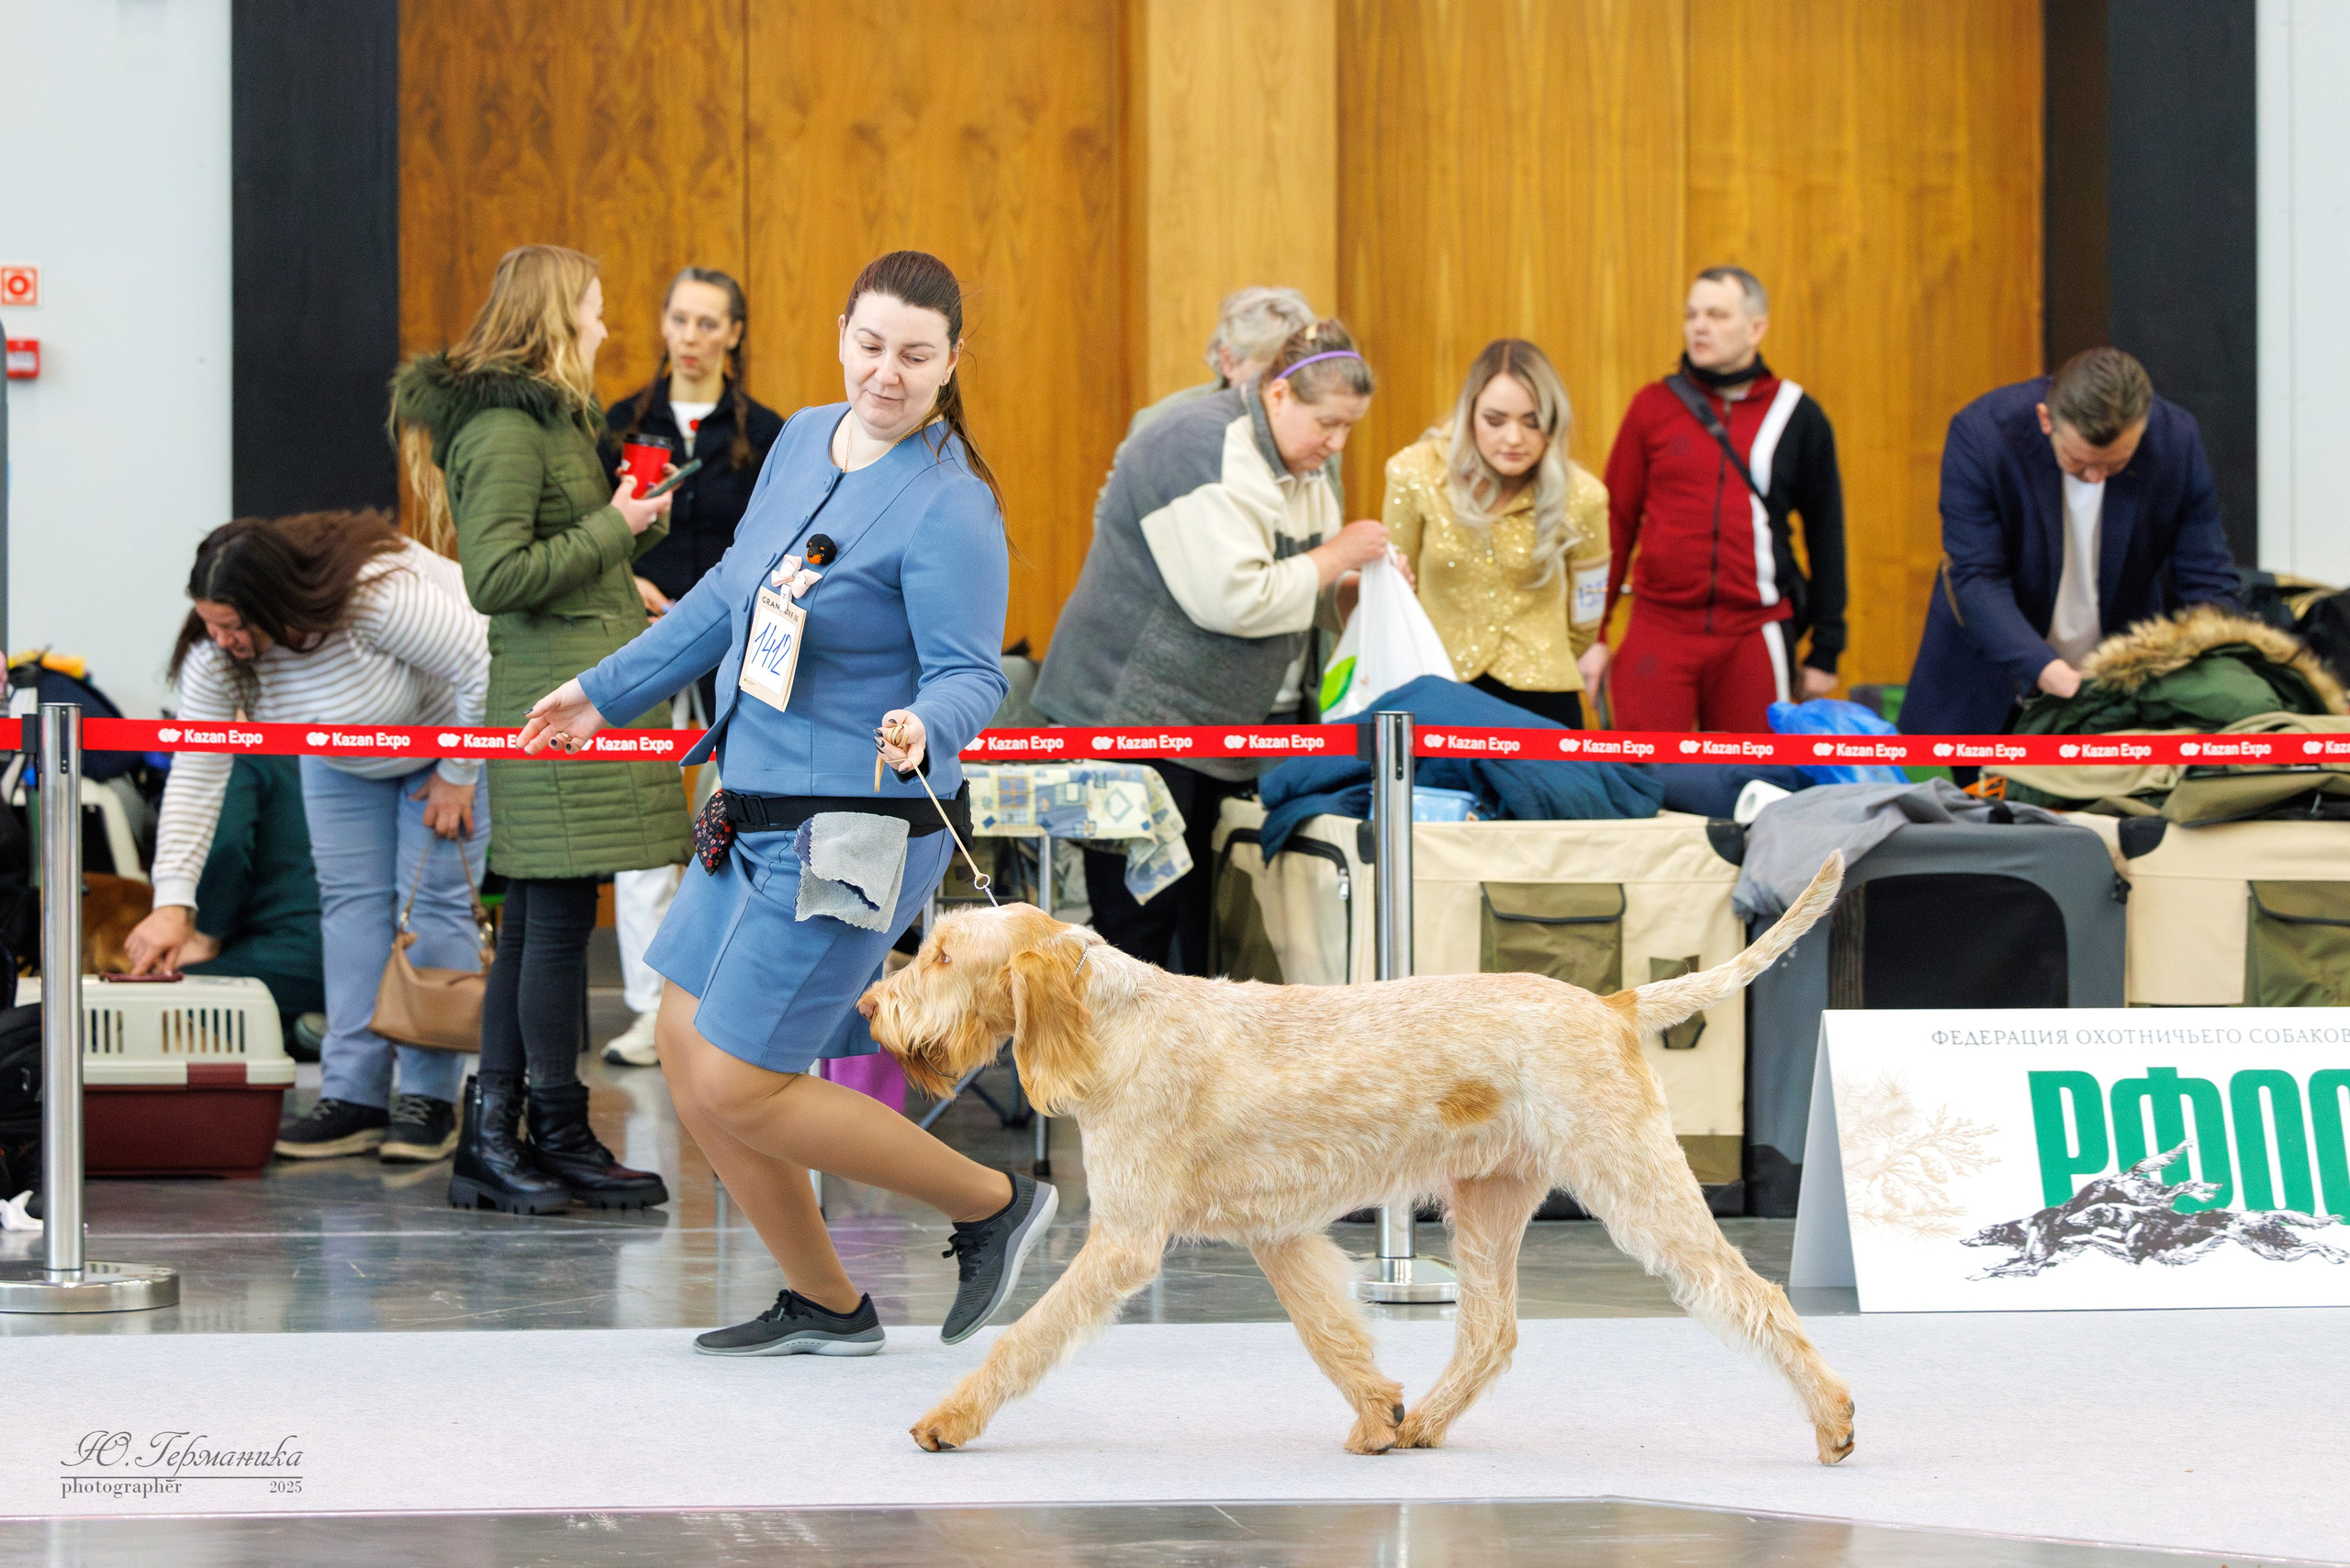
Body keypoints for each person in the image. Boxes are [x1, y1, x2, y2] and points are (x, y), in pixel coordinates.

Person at [518, 251, 1051, 1356]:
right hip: (744, 801)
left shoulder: (952, 505)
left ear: (952, 361)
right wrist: (602, 693)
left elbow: (970, 673)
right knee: (681, 1042)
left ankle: (991, 1205)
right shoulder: (805, 435)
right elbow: (728, 595)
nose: (886, 373)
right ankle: (826, 1300)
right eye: (870, 345)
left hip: (851, 829)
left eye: (915, 355)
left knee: (743, 1081)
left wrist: (929, 725)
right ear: (840, 334)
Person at [390, 243, 690, 1215]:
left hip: (576, 684)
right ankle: (538, 1130)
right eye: (597, 310)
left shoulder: (551, 419)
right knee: (554, 922)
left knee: (541, 919)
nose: (609, 327)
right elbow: (498, 580)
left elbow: (554, 557)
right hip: (549, 693)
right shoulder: (507, 428)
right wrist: (612, 523)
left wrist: (628, 529)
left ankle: (518, 1131)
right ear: (557, 317)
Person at [124, 511, 490, 1165]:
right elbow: (197, 774)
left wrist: (459, 772)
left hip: (444, 741)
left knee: (433, 909)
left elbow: (480, 659)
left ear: (278, 605)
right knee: (348, 910)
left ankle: (429, 1102)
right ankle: (353, 1098)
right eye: (209, 622)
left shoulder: (377, 597)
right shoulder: (215, 658)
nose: (221, 639)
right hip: (338, 756)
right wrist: (172, 900)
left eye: (235, 626)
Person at [1033, 319, 1392, 974]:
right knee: (1134, 934)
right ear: (1278, 395)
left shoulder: (1299, 459)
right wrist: (1338, 555)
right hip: (1128, 724)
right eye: (1328, 424)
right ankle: (1103, 1079)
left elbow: (1297, 582)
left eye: (1350, 428)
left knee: (1194, 934)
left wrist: (1347, 595)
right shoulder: (1197, 445)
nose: (1337, 444)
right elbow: (1234, 599)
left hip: (1208, 734)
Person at [599, 267, 786, 1068]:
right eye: (681, 319)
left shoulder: (769, 430)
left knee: (729, 815)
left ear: (735, 334)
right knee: (645, 831)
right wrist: (631, 585)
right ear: (664, 326)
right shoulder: (619, 423)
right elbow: (595, 528)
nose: (694, 336)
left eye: (711, 323)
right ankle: (647, 1009)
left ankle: (718, 1003)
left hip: (735, 649)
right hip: (644, 636)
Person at [1899, 346, 2240, 736]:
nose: (2096, 477)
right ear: (2047, 420)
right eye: (2079, 462)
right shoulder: (1983, 435)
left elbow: (2208, 576)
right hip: (1991, 682)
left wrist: (2205, 663)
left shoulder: (2177, 439)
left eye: (2114, 465)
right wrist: (2053, 675)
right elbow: (1978, 578)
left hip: (2118, 691)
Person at [1590, 266, 1848, 731]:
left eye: (1716, 314)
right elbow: (1614, 524)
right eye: (1691, 315)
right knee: (1640, 781)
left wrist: (1826, 648)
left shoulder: (1799, 414)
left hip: (1755, 629)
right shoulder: (1652, 406)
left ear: (1756, 327)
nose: (1699, 326)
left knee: (1754, 785)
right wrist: (1595, 634)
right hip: (1659, 626)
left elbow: (1827, 533)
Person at [1382, 339, 1610, 728]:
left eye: (1532, 420)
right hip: (1438, 693)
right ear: (1469, 413)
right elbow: (1393, 592)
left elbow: (1586, 619)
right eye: (1495, 420)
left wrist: (1539, 659)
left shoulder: (1585, 495)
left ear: (1553, 421)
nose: (1514, 439)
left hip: (1543, 703)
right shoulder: (1413, 472)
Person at [177, 756, 326, 1040]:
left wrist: (207, 934)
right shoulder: (367, 752)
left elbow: (230, 849)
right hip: (381, 963)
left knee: (165, 991)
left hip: (289, 952)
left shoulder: (254, 758)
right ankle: (315, 1030)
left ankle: (291, 1037)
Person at [1113, 285, 1318, 463]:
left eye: (1298, 372)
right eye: (1273, 372)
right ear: (1228, 361)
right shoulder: (1163, 427)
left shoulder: (1317, 427)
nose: (1287, 386)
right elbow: (1117, 506)